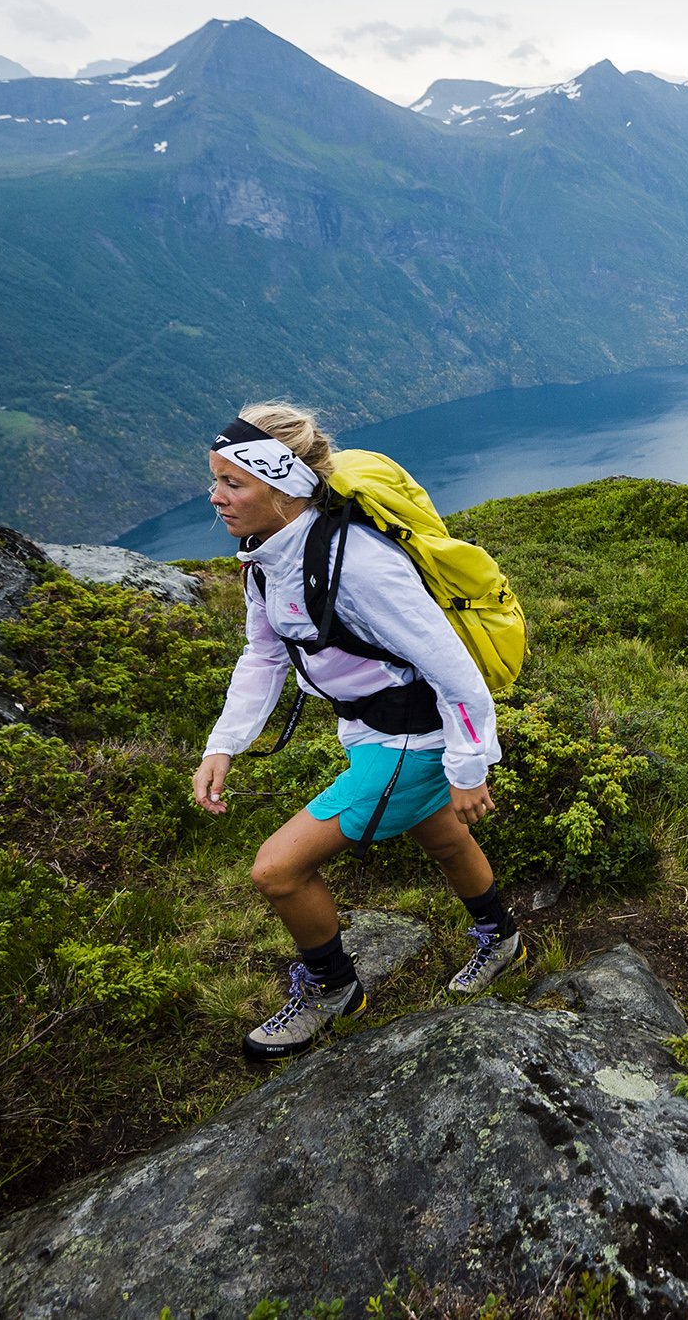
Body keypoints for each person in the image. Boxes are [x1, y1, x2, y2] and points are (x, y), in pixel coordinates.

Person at [191, 403, 524, 1061]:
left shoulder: (359, 564)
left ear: (283, 487)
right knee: (443, 836)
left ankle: (331, 989)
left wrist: (467, 769)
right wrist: (222, 745)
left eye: (234, 483)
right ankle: (503, 937)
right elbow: (262, 654)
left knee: (277, 870)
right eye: (215, 479)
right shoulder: (265, 556)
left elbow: (454, 670)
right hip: (370, 729)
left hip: (416, 737)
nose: (215, 496)